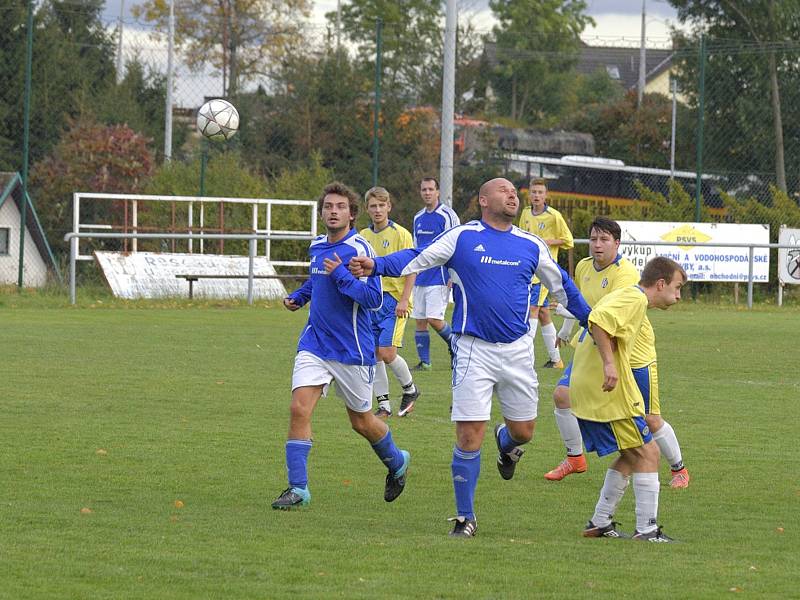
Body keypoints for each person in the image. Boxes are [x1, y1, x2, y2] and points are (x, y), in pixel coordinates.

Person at [348, 178, 590, 537]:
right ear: (482, 199)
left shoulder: (530, 244)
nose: (513, 195)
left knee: (524, 432)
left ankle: (506, 444)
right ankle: (465, 518)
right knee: (468, 435)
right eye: (504, 190)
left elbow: (563, 288)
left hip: (518, 351)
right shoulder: (462, 236)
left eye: (514, 192)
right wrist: (377, 265)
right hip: (473, 350)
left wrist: (593, 322)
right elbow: (418, 255)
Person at [271, 182, 410, 510]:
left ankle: (397, 461)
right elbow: (316, 279)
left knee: (361, 421)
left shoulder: (360, 249)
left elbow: (375, 299)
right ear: (321, 213)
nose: (333, 211)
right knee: (298, 408)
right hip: (315, 343)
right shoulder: (318, 246)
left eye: (339, 207)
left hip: (353, 349)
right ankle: (298, 489)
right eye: (328, 206)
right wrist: (300, 297)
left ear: (351, 214)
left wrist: (342, 278)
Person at [545, 217, 690, 489]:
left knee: (649, 418)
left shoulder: (626, 275)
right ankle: (575, 458)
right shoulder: (583, 266)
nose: (597, 245)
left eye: (604, 240)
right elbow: (581, 303)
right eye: (593, 239)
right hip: (595, 342)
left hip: (631, 351)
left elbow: (603, 314)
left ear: (617, 244)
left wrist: (569, 313)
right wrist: (565, 330)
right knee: (562, 395)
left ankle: (678, 469)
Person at [572, 256, 686, 542]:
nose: (679, 295)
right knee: (649, 453)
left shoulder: (632, 299)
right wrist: (610, 365)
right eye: (677, 287)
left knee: (630, 454)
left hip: (592, 388)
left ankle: (600, 522)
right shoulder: (634, 299)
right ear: (660, 284)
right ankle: (647, 529)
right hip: (606, 392)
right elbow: (597, 320)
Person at [359, 186, 421, 418]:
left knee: (386, 351)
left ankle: (410, 389)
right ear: (367, 209)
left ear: (389, 207)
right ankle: (384, 405)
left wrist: (404, 299)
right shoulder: (363, 236)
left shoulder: (401, 234)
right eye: (373, 206)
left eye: (381, 205)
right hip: (370, 302)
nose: (377, 210)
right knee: (373, 354)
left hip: (394, 302)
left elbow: (412, 268)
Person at [518, 178, 574, 368]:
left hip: (544, 271)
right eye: (534, 192)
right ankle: (556, 359)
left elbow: (568, 240)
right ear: (529, 194)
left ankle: (524, 359)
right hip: (528, 269)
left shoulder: (553, 216)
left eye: (540, 192)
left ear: (546, 195)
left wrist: (548, 242)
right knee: (542, 312)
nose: (536, 196)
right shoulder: (525, 213)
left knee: (532, 309)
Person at [410, 177, 460, 370]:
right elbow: (416, 248)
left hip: (440, 276)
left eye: (431, 189)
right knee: (420, 321)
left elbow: (456, 243)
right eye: (424, 189)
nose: (427, 193)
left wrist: (452, 275)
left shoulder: (447, 215)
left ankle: (456, 347)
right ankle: (425, 362)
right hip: (421, 276)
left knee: (434, 319)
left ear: (438, 192)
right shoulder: (418, 218)